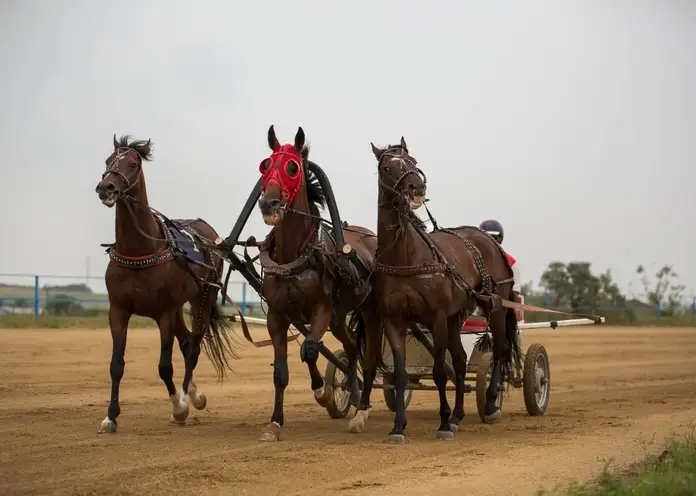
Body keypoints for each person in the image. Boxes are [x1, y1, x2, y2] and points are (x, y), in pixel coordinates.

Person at [462, 220, 523, 367]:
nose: (491, 241)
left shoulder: (511, 262)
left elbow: (514, 295)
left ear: (500, 239)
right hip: (472, 312)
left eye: (494, 238)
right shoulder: (468, 260)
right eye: (487, 237)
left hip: (499, 311)